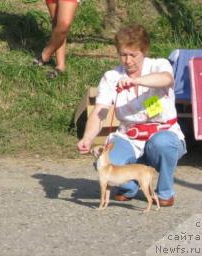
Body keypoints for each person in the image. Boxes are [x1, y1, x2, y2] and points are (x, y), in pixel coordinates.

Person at [77, 24, 186, 207]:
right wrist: (87, 137)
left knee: (163, 144)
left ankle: (165, 192)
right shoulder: (111, 76)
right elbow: (100, 111)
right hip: (129, 136)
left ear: (144, 51)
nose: (127, 61)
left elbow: (167, 79)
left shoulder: (159, 65)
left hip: (162, 133)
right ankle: (130, 186)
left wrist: (137, 81)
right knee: (102, 164)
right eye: (123, 54)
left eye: (133, 55)